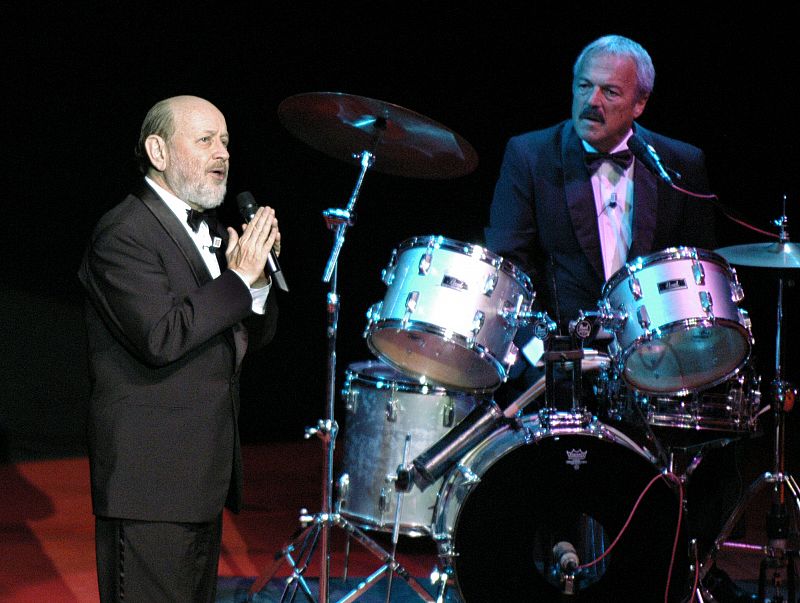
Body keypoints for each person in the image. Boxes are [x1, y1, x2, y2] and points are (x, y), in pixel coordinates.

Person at [484, 35, 756, 601]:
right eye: (584, 86)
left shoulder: (680, 163)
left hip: (651, 355)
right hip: (561, 354)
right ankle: (556, 554)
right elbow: (509, 264)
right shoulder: (529, 154)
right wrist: (547, 341)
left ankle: (677, 569)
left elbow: (700, 270)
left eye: (610, 91)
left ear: (640, 104)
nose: (593, 101)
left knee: (734, 434)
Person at [78, 95, 280, 602]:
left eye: (226, 141)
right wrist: (237, 278)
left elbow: (240, 340)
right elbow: (162, 336)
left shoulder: (210, 231)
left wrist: (254, 285)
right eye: (206, 140)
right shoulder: (124, 232)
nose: (223, 153)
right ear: (158, 151)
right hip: (150, 487)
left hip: (198, 482)